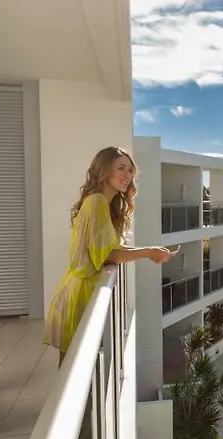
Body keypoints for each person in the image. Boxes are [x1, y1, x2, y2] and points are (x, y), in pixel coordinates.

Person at [45, 146, 174, 365]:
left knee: (75, 366)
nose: (128, 175)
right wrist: (149, 252)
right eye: (121, 168)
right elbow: (106, 255)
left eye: (130, 170)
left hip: (82, 289)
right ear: (104, 170)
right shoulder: (96, 202)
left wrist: (151, 250)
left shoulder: (104, 203)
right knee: (74, 370)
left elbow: (111, 249)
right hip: (81, 293)